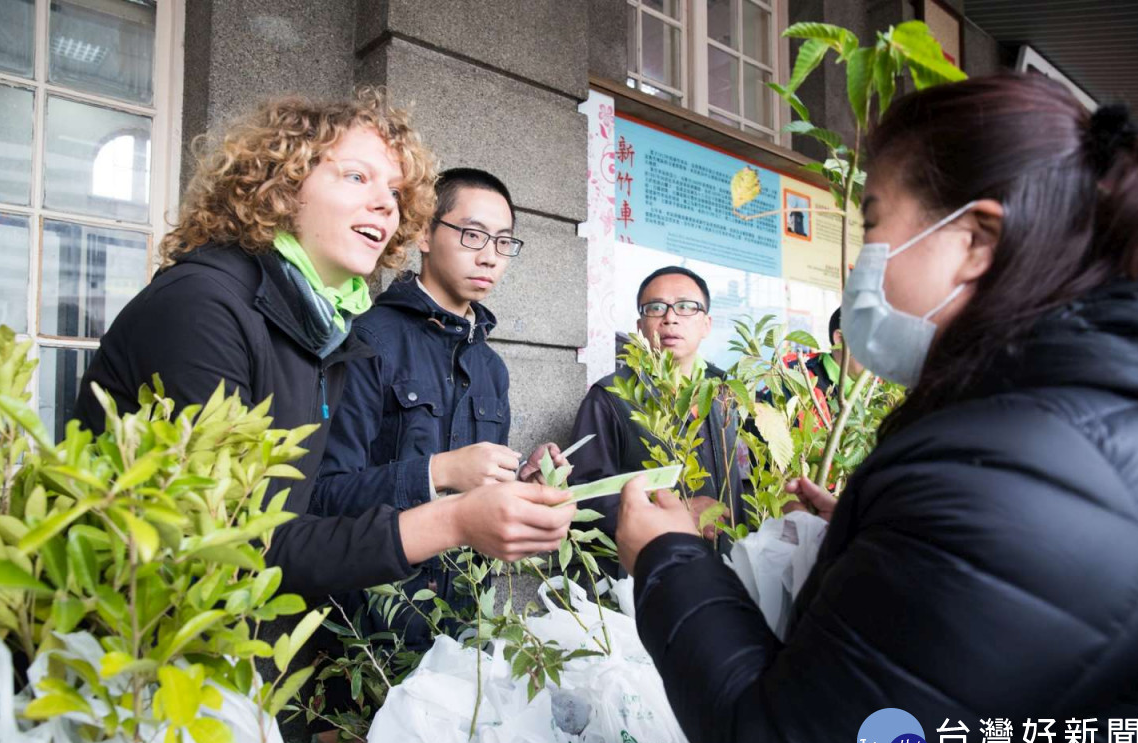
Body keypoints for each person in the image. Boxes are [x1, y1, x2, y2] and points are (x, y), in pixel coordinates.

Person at [614, 74, 1138, 743]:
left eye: (873, 224)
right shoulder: (1080, 420)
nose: (859, 266)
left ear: (975, 238)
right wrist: (881, 538)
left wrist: (665, 560)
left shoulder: (1013, 475)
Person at [73, 91, 575, 603]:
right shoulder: (203, 307)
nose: (385, 202)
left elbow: (296, 514)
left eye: (397, 191)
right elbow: (235, 550)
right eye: (357, 176)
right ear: (282, 183)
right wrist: (454, 517)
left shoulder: (322, 330)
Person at [311, 167, 565, 645]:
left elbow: (478, 493)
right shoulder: (367, 339)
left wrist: (523, 483)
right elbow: (322, 497)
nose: (490, 256)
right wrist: (438, 470)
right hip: (373, 630)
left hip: (468, 622)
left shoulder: (490, 366)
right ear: (425, 233)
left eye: (503, 242)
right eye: (472, 235)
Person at [568, 266, 747, 543]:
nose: (670, 318)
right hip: (652, 566)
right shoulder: (611, 396)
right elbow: (584, 496)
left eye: (686, 307)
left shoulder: (727, 391)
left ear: (706, 324)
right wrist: (670, 515)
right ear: (640, 326)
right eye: (656, 308)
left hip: (730, 563)